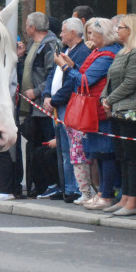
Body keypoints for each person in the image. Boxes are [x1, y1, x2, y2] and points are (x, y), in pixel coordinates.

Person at [58, 18, 120, 210]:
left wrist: (66, 68)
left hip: (100, 111)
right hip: (94, 110)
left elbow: (86, 80)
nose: (88, 37)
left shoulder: (107, 55)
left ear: (104, 35)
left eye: (92, 33)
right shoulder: (99, 52)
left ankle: (106, 194)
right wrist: (73, 66)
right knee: (98, 153)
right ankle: (102, 192)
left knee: (105, 152)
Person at [100, 14, 136, 216]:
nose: (116, 30)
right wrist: (105, 98)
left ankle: (133, 200)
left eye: (119, 27)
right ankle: (124, 197)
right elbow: (111, 79)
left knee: (132, 157)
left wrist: (109, 99)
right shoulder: (122, 52)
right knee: (122, 156)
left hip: (131, 111)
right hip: (117, 110)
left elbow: (131, 83)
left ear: (130, 30)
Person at [44, 17, 91, 203]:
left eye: (64, 31)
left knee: (73, 149)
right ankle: (67, 187)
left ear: (73, 33)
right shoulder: (65, 50)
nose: (61, 34)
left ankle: (76, 189)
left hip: (68, 105)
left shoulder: (82, 52)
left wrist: (54, 100)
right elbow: (52, 73)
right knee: (63, 150)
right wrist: (47, 95)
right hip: (57, 105)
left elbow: (73, 80)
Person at [19, 11, 60, 198]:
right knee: (34, 148)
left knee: (44, 147)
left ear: (33, 27)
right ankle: (37, 184)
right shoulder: (32, 45)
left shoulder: (50, 45)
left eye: (27, 24)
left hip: (44, 108)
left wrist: (37, 92)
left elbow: (54, 75)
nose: (25, 27)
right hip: (32, 109)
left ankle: (49, 185)